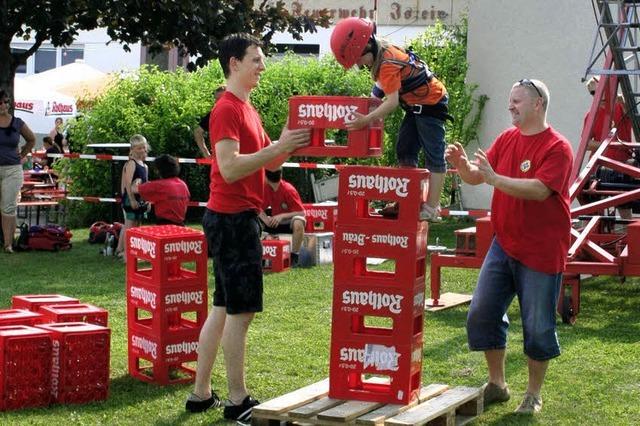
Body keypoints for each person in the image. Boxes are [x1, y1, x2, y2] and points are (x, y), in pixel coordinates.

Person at [184, 33, 310, 422]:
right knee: (240, 313)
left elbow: (271, 164)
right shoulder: (227, 109)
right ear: (233, 63)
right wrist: (279, 147)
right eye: (256, 59)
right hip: (233, 222)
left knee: (222, 309)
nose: (263, 65)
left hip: (233, 220)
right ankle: (238, 401)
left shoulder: (248, 109)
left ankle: (201, 394)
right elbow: (230, 166)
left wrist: (298, 136)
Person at [445, 79, 573, 414]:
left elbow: (539, 190)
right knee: (482, 313)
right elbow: (479, 175)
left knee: (537, 325)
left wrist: (494, 179)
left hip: (542, 249)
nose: (510, 106)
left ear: (538, 104)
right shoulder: (507, 138)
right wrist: (462, 166)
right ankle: (498, 384)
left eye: (517, 101)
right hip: (505, 244)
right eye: (510, 101)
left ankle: (533, 394)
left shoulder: (557, 147)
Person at [330, 17, 451, 221]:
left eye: (358, 60)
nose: (359, 65)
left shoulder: (386, 62)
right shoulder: (382, 54)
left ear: (367, 46)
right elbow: (380, 89)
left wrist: (366, 119)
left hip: (431, 103)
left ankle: (432, 209)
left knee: (434, 155)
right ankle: (408, 199)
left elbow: (392, 102)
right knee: (405, 149)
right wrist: (370, 102)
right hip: (415, 105)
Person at [582, 76, 633, 219]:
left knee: (624, 210)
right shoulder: (591, 115)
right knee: (594, 210)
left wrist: (622, 100)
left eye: (600, 90)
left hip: (622, 166)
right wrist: (605, 144)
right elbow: (585, 143)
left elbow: (632, 113)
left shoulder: (620, 105)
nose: (598, 95)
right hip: (600, 168)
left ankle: (628, 239)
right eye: (593, 93)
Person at [0, 89, 36, 253]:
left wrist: (22, 154)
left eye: (6, 102)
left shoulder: (17, 122)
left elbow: (32, 139)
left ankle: (8, 244)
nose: (3, 105)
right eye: (0, 102)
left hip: (12, 170)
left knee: (8, 207)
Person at [259, 168, 306, 267]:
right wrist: (266, 220)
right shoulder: (266, 188)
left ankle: (294, 257)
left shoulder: (288, 189)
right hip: (275, 222)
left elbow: (302, 212)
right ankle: (259, 256)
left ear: (266, 177)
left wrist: (282, 216)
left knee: (298, 221)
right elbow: (257, 208)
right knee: (253, 220)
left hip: (289, 222)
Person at [115, 134, 149, 257]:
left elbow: (146, 186)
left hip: (141, 199)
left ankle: (130, 250)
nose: (142, 150)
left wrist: (148, 200)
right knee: (129, 225)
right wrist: (132, 199)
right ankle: (125, 253)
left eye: (143, 148)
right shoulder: (131, 164)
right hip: (131, 199)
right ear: (133, 149)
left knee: (137, 225)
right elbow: (128, 184)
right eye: (139, 148)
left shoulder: (145, 166)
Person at [132, 154, 190, 225]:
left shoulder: (159, 185)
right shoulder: (183, 185)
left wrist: (137, 180)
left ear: (160, 170)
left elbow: (134, 189)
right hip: (180, 224)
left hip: (164, 224)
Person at [194, 86, 226, 158]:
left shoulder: (240, 112)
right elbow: (197, 132)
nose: (216, 102)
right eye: (216, 99)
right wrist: (206, 153)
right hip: (219, 159)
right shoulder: (213, 115)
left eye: (219, 99)